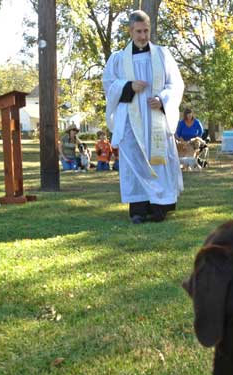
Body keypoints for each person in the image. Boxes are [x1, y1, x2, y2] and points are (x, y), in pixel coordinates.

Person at [103, 10, 184, 224]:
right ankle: (138, 210)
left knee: (159, 161)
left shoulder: (163, 55)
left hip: (156, 118)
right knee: (135, 161)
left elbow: (175, 84)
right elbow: (109, 85)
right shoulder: (119, 59)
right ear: (130, 31)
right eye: (138, 31)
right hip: (132, 119)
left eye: (146, 30)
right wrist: (128, 86)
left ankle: (159, 208)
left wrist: (162, 99)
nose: (143, 36)